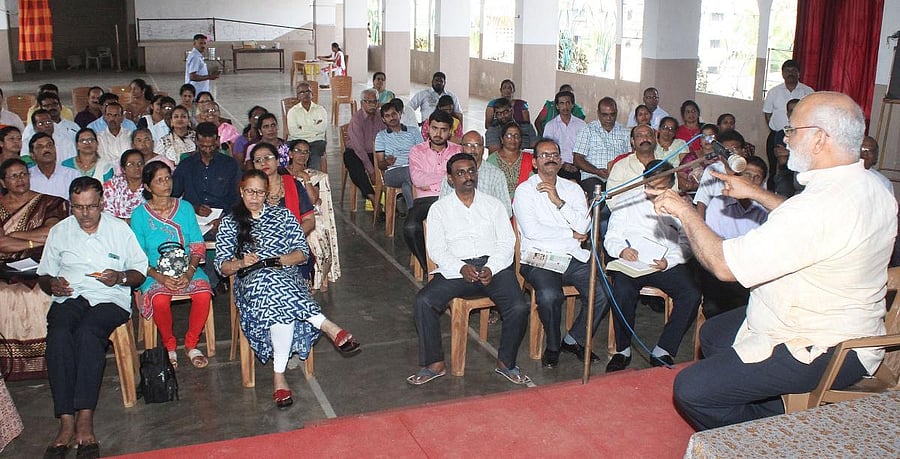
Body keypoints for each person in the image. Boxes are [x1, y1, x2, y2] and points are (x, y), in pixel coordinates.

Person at [652, 91, 897, 430]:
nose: (786, 138)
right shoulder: (873, 186)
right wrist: (755, 192)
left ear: (819, 138)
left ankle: (772, 432)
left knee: (693, 391)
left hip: (829, 345)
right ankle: (768, 398)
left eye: (792, 130)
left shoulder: (816, 207)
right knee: (715, 334)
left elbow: (724, 266)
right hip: (847, 322)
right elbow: (816, 226)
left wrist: (684, 210)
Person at [215, 169, 359, 408]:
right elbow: (222, 266)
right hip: (252, 281)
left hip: (285, 275)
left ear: (266, 194)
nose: (254, 197)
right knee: (271, 286)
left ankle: (279, 377)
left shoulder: (283, 216)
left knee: (278, 295)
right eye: (250, 191)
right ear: (242, 192)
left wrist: (279, 260)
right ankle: (328, 326)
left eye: (260, 193)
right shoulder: (231, 222)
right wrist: (242, 262)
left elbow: (302, 254)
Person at [36, 176, 148, 459]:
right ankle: (65, 420)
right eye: (77, 207)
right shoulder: (60, 231)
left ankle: (85, 419)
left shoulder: (119, 230)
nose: (84, 214)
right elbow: (44, 275)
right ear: (70, 206)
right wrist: (53, 285)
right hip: (70, 296)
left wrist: (120, 277)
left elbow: (139, 270)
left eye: (90, 207)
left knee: (88, 334)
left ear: (101, 203)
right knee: (59, 336)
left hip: (109, 299)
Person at [407, 153, 529, 385]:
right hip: (457, 270)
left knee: (519, 306)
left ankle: (506, 363)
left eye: (471, 171)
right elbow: (436, 249)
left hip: (494, 268)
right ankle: (434, 364)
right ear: (451, 179)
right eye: (460, 173)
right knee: (424, 301)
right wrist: (461, 267)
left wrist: (492, 267)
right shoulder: (439, 209)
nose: (467, 177)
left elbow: (506, 242)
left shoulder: (494, 206)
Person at [513, 139, 610, 368]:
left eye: (555, 154)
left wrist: (558, 201)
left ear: (561, 160)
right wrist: (570, 235)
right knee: (549, 296)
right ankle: (553, 345)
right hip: (539, 258)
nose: (551, 158)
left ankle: (573, 339)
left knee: (603, 291)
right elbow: (533, 232)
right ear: (535, 163)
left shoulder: (573, 189)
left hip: (572, 257)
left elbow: (584, 227)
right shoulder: (525, 191)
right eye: (544, 155)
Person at [604, 160, 701, 372]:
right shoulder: (626, 200)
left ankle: (664, 349)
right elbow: (611, 236)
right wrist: (621, 250)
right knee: (621, 290)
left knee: (691, 295)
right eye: (651, 186)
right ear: (644, 180)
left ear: (672, 184)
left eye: (661, 187)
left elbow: (687, 243)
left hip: (664, 263)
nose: (655, 191)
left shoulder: (681, 206)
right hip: (633, 262)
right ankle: (623, 350)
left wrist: (670, 260)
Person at [131, 161, 213, 369]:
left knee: (203, 293)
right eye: (159, 180)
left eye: (168, 177)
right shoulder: (139, 215)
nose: (166, 183)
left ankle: (191, 344)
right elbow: (137, 255)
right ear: (148, 187)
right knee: (159, 300)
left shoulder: (184, 208)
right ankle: (169, 346)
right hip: (153, 272)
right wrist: (161, 277)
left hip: (187, 269)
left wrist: (189, 272)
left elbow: (196, 243)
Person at [699, 156, 768, 319]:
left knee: (755, 307)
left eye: (756, 177)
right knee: (714, 307)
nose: (750, 180)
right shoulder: (718, 204)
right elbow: (714, 245)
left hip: (750, 270)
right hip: (721, 266)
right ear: (737, 177)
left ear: (763, 183)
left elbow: (762, 248)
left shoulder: (764, 210)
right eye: (747, 175)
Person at [405, 110, 461, 272]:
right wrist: (446, 176)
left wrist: (431, 181)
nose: (438, 133)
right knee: (410, 228)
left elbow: (458, 177)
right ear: (428, 128)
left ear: (450, 131)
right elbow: (417, 179)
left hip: (451, 199)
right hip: (424, 201)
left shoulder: (457, 151)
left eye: (443, 130)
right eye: (435, 128)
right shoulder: (417, 151)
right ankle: (429, 267)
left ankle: (455, 265)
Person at [286, 140, 341, 291]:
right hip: (287, 218)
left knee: (316, 237)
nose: (302, 155)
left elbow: (313, 200)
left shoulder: (314, 176)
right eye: (298, 151)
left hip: (308, 218)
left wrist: (306, 179)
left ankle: (315, 281)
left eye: (306, 152)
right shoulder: (281, 174)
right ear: (290, 153)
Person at [172, 122, 242, 238]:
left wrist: (224, 219)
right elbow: (173, 196)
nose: (207, 150)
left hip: (224, 220)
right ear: (196, 141)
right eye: (203, 146)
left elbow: (237, 199)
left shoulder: (230, 165)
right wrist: (194, 208)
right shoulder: (186, 165)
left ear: (217, 141)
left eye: (211, 146)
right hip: (192, 220)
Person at [763, 59, 813, 190]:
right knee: (774, 169)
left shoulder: (808, 92)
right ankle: (772, 194)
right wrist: (776, 130)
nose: (790, 74)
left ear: (799, 73)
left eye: (793, 71)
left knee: (798, 168)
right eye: (787, 71)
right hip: (777, 135)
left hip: (800, 136)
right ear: (782, 74)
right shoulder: (774, 92)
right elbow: (767, 113)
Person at [439, 130, 512, 216]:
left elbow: (506, 210)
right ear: (461, 148)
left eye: (477, 145)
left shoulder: (496, 175)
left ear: (483, 148)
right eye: (468, 145)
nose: (473, 149)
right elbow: (442, 208)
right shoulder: (453, 174)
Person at [572, 97, 630, 195]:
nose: (609, 118)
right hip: (592, 176)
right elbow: (577, 159)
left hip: (617, 178)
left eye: (612, 114)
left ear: (617, 113)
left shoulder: (625, 132)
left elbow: (629, 157)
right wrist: (596, 171)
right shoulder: (587, 130)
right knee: (596, 195)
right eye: (605, 115)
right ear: (598, 113)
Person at [692, 129, 752, 218]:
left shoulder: (752, 170)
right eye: (726, 151)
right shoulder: (712, 170)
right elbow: (702, 203)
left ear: (743, 151)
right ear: (720, 155)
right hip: (715, 224)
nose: (730, 154)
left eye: (734, 149)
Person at [343, 89, 386, 212]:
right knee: (353, 163)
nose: (372, 105)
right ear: (362, 103)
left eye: (375, 101)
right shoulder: (357, 119)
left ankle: (391, 198)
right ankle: (372, 196)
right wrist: (372, 171)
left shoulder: (380, 116)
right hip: (356, 152)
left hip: (376, 151)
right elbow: (359, 148)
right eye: (369, 102)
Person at [375, 100, 421, 214]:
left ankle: (412, 215)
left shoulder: (413, 131)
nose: (392, 118)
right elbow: (380, 164)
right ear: (383, 120)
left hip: (413, 169)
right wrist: (387, 162)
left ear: (400, 114)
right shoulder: (381, 136)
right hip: (392, 172)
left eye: (394, 114)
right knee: (409, 173)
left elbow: (423, 153)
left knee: (406, 186)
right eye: (387, 116)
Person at [541, 90, 586, 182]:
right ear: (557, 106)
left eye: (568, 103)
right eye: (561, 103)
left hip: (579, 167)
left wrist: (578, 164)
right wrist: (563, 165)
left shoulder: (582, 125)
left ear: (573, 105)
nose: (565, 107)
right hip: (558, 168)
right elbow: (547, 151)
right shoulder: (551, 125)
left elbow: (586, 149)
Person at [286, 81, 327, 170]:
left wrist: (302, 128)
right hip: (297, 141)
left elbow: (322, 128)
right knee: (293, 153)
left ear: (312, 94)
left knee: (314, 154)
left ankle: (311, 180)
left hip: (317, 141)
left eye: (308, 91)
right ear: (298, 96)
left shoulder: (321, 110)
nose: (305, 94)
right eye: (302, 92)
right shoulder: (293, 112)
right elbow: (293, 132)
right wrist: (313, 129)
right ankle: (295, 178)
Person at [486, 122, 534, 199]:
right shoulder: (491, 160)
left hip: (525, 203)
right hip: (500, 204)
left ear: (521, 139)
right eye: (508, 135)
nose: (513, 139)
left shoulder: (530, 159)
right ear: (502, 139)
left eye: (516, 135)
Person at [26, 133, 80, 201]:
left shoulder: (73, 175)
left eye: (49, 145)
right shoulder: (26, 177)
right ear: (32, 155)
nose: (46, 149)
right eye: (40, 147)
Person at [102, 149, 146, 221]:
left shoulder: (151, 186)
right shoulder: (113, 185)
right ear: (123, 169)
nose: (137, 167)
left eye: (140, 163)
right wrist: (126, 222)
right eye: (131, 164)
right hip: (116, 228)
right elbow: (107, 215)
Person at [96, 103, 133, 172]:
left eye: (116, 115)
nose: (112, 118)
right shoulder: (98, 138)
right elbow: (100, 160)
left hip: (128, 174)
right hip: (106, 175)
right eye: (109, 115)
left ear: (122, 118)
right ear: (104, 117)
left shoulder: (131, 136)